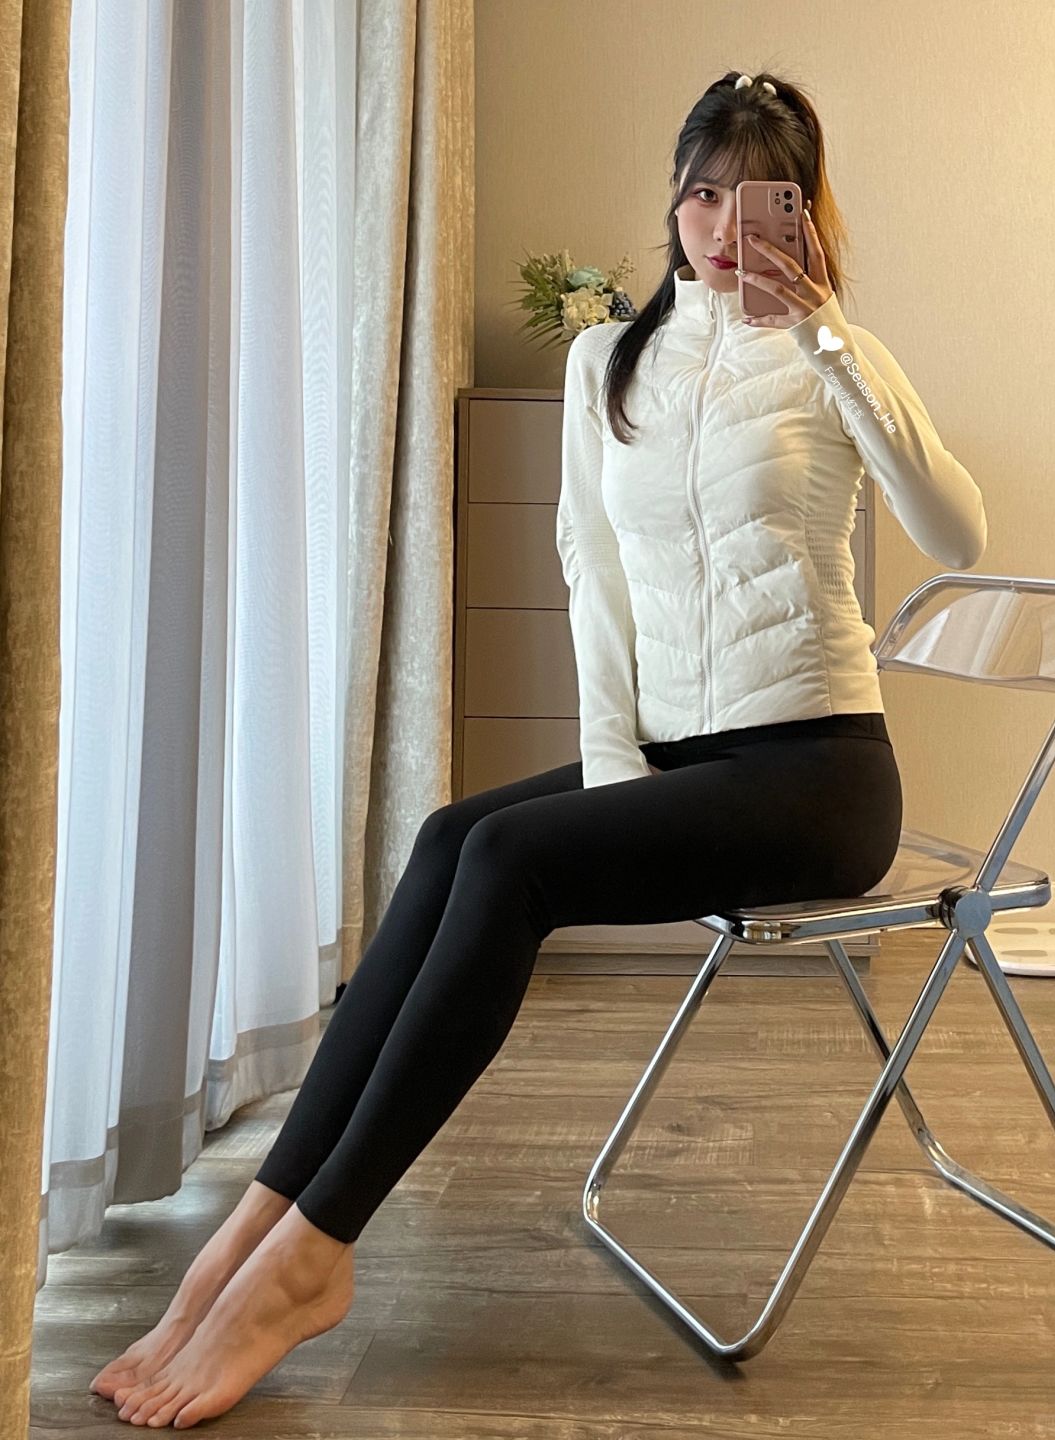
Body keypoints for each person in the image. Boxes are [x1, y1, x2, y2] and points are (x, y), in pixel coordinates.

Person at [90, 69, 987, 1429]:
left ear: (806, 211)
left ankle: (313, 1256)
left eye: (757, 195)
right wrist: (618, 772)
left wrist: (826, 340)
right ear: (672, 202)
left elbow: (956, 534)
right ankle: (258, 1227)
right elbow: (594, 579)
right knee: (454, 833)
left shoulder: (836, 357)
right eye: (700, 192)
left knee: (510, 859)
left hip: (818, 774)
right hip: (678, 763)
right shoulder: (607, 362)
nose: (721, 225)